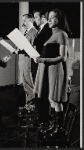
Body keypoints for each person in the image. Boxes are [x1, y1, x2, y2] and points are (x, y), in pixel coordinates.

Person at [34, 8, 70, 138]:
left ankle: (59, 129)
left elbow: (63, 57)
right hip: (49, 69)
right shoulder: (53, 33)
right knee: (51, 99)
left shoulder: (61, 34)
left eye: (53, 17)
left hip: (55, 69)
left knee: (56, 100)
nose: (49, 19)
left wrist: (43, 59)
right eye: (49, 17)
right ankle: (54, 127)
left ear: (59, 19)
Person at [32, 9, 52, 127]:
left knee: (43, 91)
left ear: (43, 17)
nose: (35, 20)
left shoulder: (48, 30)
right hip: (39, 62)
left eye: (36, 17)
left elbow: (47, 47)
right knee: (39, 91)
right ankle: (41, 117)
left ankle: (44, 119)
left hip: (44, 63)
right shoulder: (41, 30)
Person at [18, 14, 37, 105]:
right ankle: (29, 105)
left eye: (24, 21)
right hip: (23, 62)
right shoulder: (26, 32)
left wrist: (23, 49)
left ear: (30, 20)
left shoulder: (34, 32)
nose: (23, 23)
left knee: (29, 85)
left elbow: (34, 48)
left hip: (28, 63)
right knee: (26, 85)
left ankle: (31, 106)